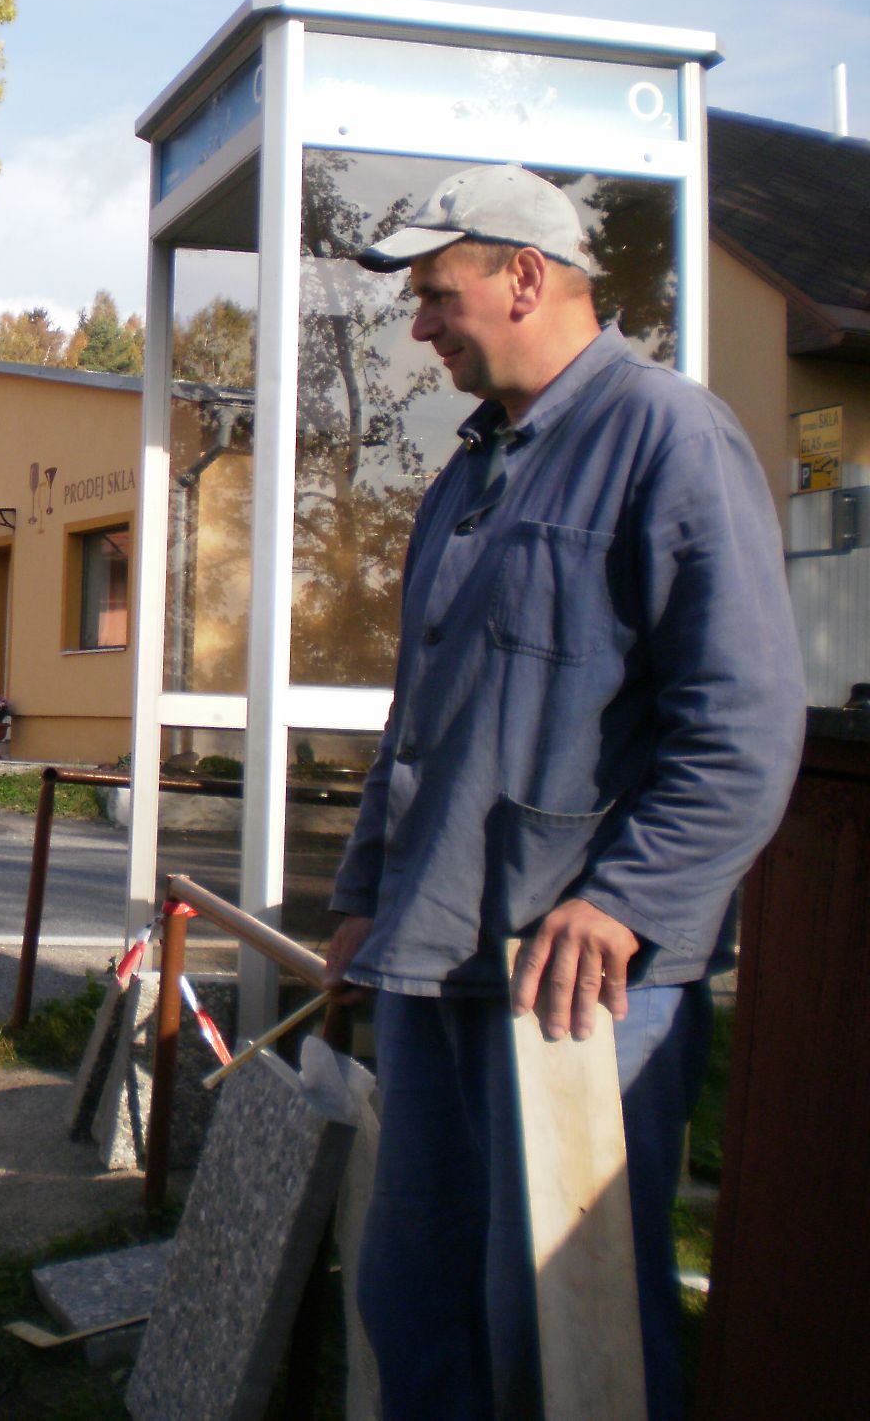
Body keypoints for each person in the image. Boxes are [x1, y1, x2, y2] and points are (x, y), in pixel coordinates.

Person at [321, 164, 804, 1421]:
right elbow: (418, 720)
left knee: (561, 1329)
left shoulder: (667, 435)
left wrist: (627, 900)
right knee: (416, 1298)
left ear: (524, 277)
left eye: (436, 294)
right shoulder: (471, 471)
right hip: (436, 954)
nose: (417, 324)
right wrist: (364, 892)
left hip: (579, 985)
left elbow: (742, 723)